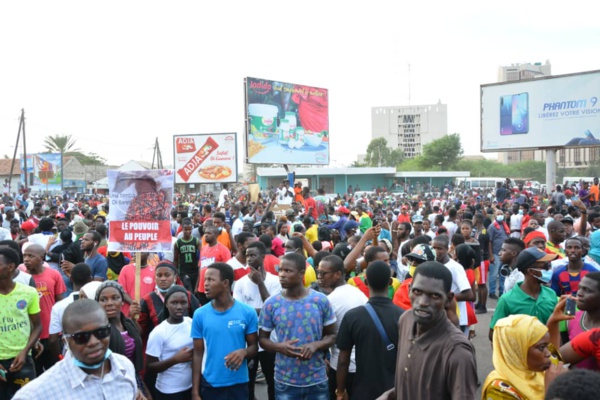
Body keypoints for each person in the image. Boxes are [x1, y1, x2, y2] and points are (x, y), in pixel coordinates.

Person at [377, 262, 478, 400]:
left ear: (448, 299)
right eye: (417, 292)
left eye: (435, 296)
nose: (423, 302)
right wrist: (390, 395)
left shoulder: (458, 352)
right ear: (409, 290)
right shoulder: (406, 320)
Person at [12, 299, 140, 400]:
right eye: (82, 337)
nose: (93, 342)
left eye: (101, 332)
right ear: (66, 341)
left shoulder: (125, 367)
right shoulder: (36, 394)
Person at [259, 252, 336, 399]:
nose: (281, 275)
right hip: (285, 381)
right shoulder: (271, 303)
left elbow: (332, 335)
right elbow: (262, 339)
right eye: (280, 270)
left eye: (287, 271)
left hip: (316, 379)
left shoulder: (320, 300)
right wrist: (278, 347)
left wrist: (316, 345)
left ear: (301, 274)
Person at [336, 260, 403, 400]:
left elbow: (343, 360)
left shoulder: (352, 317)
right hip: (395, 391)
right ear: (390, 282)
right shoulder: (403, 316)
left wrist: (341, 391)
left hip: (363, 391)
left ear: (366, 283)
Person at [191, 262, 258, 400]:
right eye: (205, 279)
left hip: (239, 384)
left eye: (211, 279)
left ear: (225, 283)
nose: (205, 284)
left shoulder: (247, 312)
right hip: (210, 383)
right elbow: (197, 353)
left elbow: (254, 347)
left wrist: (244, 352)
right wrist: (195, 392)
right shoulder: (199, 314)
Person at [232, 241, 281, 400]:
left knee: (272, 382)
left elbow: (274, 310)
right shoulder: (240, 283)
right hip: (248, 341)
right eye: (247, 256)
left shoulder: (275, 281)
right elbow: (239, 313)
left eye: (253, 255)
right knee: (248, 383)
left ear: (263, 257)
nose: (249, 259)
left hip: (271, 340)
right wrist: (261, 311)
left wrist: (260, 283)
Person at [317, 254, 368, 399]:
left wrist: (322, 357)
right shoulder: (357, 293)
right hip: (362, 365)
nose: (319, 276)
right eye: (318, 272)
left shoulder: (330, 301)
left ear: (338, 274)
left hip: (341, 368)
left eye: (323, 273)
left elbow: (322, 334)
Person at [482, 314, 565, 400]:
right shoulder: (498, 389)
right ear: (517, 351)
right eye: (541, 348)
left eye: (548, 346)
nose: (549, 353)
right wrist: (551, 391)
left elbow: (556, 356)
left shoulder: (539, 368)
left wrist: (553, 322)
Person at [490, 247, 559, 341]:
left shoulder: (551, 294)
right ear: (531, 271)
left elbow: (555, 330)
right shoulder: (507, 300)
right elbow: (494, 334)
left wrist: (555, 354)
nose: (550, 269)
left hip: (547, 353)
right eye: (546, 266)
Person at [0, 247, 42, 399]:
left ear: (10, 267)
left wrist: (25, 351)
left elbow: (37, 326)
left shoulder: (28, 293)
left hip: (22, 360)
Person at [23, 244, 66, 375]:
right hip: (30, 337)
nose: (26, 259)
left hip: (51, 335)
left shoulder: (54, 275)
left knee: (54, 372)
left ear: (42, 258)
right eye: (24, 255)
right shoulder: (21, 279)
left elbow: (60, 304)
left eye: (31, 256)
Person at [145, 285, 194, 400]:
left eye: (183, 302)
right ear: (166, 304)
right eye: (174, 303)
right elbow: (150, 367)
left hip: (190, 386)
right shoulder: (159, 332)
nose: (179, 307)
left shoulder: (190, 323)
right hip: (169, 391)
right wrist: (176, 359)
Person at [173, 218, 201, 292]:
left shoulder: (196, 241)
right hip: (184, 271)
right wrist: (175, 272)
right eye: (186, 229)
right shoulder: (178, 243)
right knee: (188, 289)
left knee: (195, 290)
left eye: (190, 229)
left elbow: (202, 255)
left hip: (194, 270)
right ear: (182, 229)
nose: (188, 231)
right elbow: (176, 259)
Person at [489, 209, 511, 298]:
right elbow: (489, 241)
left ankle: (502, 291)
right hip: (495, 253)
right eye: (498, 214)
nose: (500, 215)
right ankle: (492, 292)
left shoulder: (505, 226)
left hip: (504, 254)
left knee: (503, 274)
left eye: (501, 214)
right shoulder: (492, 227)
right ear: (495, 216)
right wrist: (490, 255)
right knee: (493, 275)